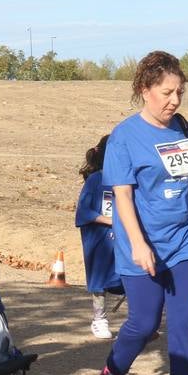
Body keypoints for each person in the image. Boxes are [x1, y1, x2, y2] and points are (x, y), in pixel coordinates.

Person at [93, 51, 188, 375]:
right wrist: (138, 243)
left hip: (185, 243)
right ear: (144, 90)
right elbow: (123, 197)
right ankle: (115, 367)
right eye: (166, 92)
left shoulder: (182, 126)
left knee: (183, 321)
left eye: (179, 92)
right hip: (142, 245)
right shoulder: (124, 138)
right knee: (145, 324)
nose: (174, 101)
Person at [75, 134, 123, 338]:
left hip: (124, 239)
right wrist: (111, 221)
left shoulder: (128, 180)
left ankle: (140, 321)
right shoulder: (95, 180)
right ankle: (99, 319)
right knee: (100, 279)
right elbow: (84, 212)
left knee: (131, 276)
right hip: (100, 240)